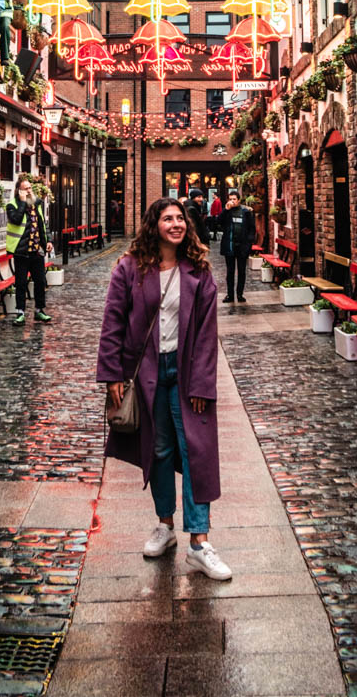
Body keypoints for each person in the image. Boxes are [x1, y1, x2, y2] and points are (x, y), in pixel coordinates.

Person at [96, 197, 232, 581]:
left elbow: (207, 336)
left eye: (180, 218)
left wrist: (204, 383)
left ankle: (199, 543)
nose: (176, 224)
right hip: (147, 374)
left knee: (197, 454)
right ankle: (165, 525)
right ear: (153, 224)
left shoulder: (199, 272)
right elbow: (113, 325)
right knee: (158, 450)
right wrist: (113, 377)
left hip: (188, 374)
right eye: (167, 218)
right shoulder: (130, 269)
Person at [5, 174, 52, 325]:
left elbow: (43, 225)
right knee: (21, 283)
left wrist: (48, 242)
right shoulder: (12, 205)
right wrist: (23, 202)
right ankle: (20, 313)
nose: (29, 191)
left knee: (40, 281)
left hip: (37, 251)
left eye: (30, 188)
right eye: (25, 189)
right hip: (21, 252)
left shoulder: (37, 204)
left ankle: (39, 311)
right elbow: (16, 219)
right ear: (19, 191)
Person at [218, 190, 255, 304]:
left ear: (239, 200)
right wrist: (225, 210)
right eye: (230, 199)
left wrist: (248, 244)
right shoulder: (227, 212)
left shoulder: (245, 212)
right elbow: (218, 222)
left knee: (242, 271)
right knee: (230, 272)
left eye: (234, 199)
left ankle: (240, 294)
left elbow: (252, 229)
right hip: (230, 245)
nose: (232, 201)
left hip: (242, 246)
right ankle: (230, 295)